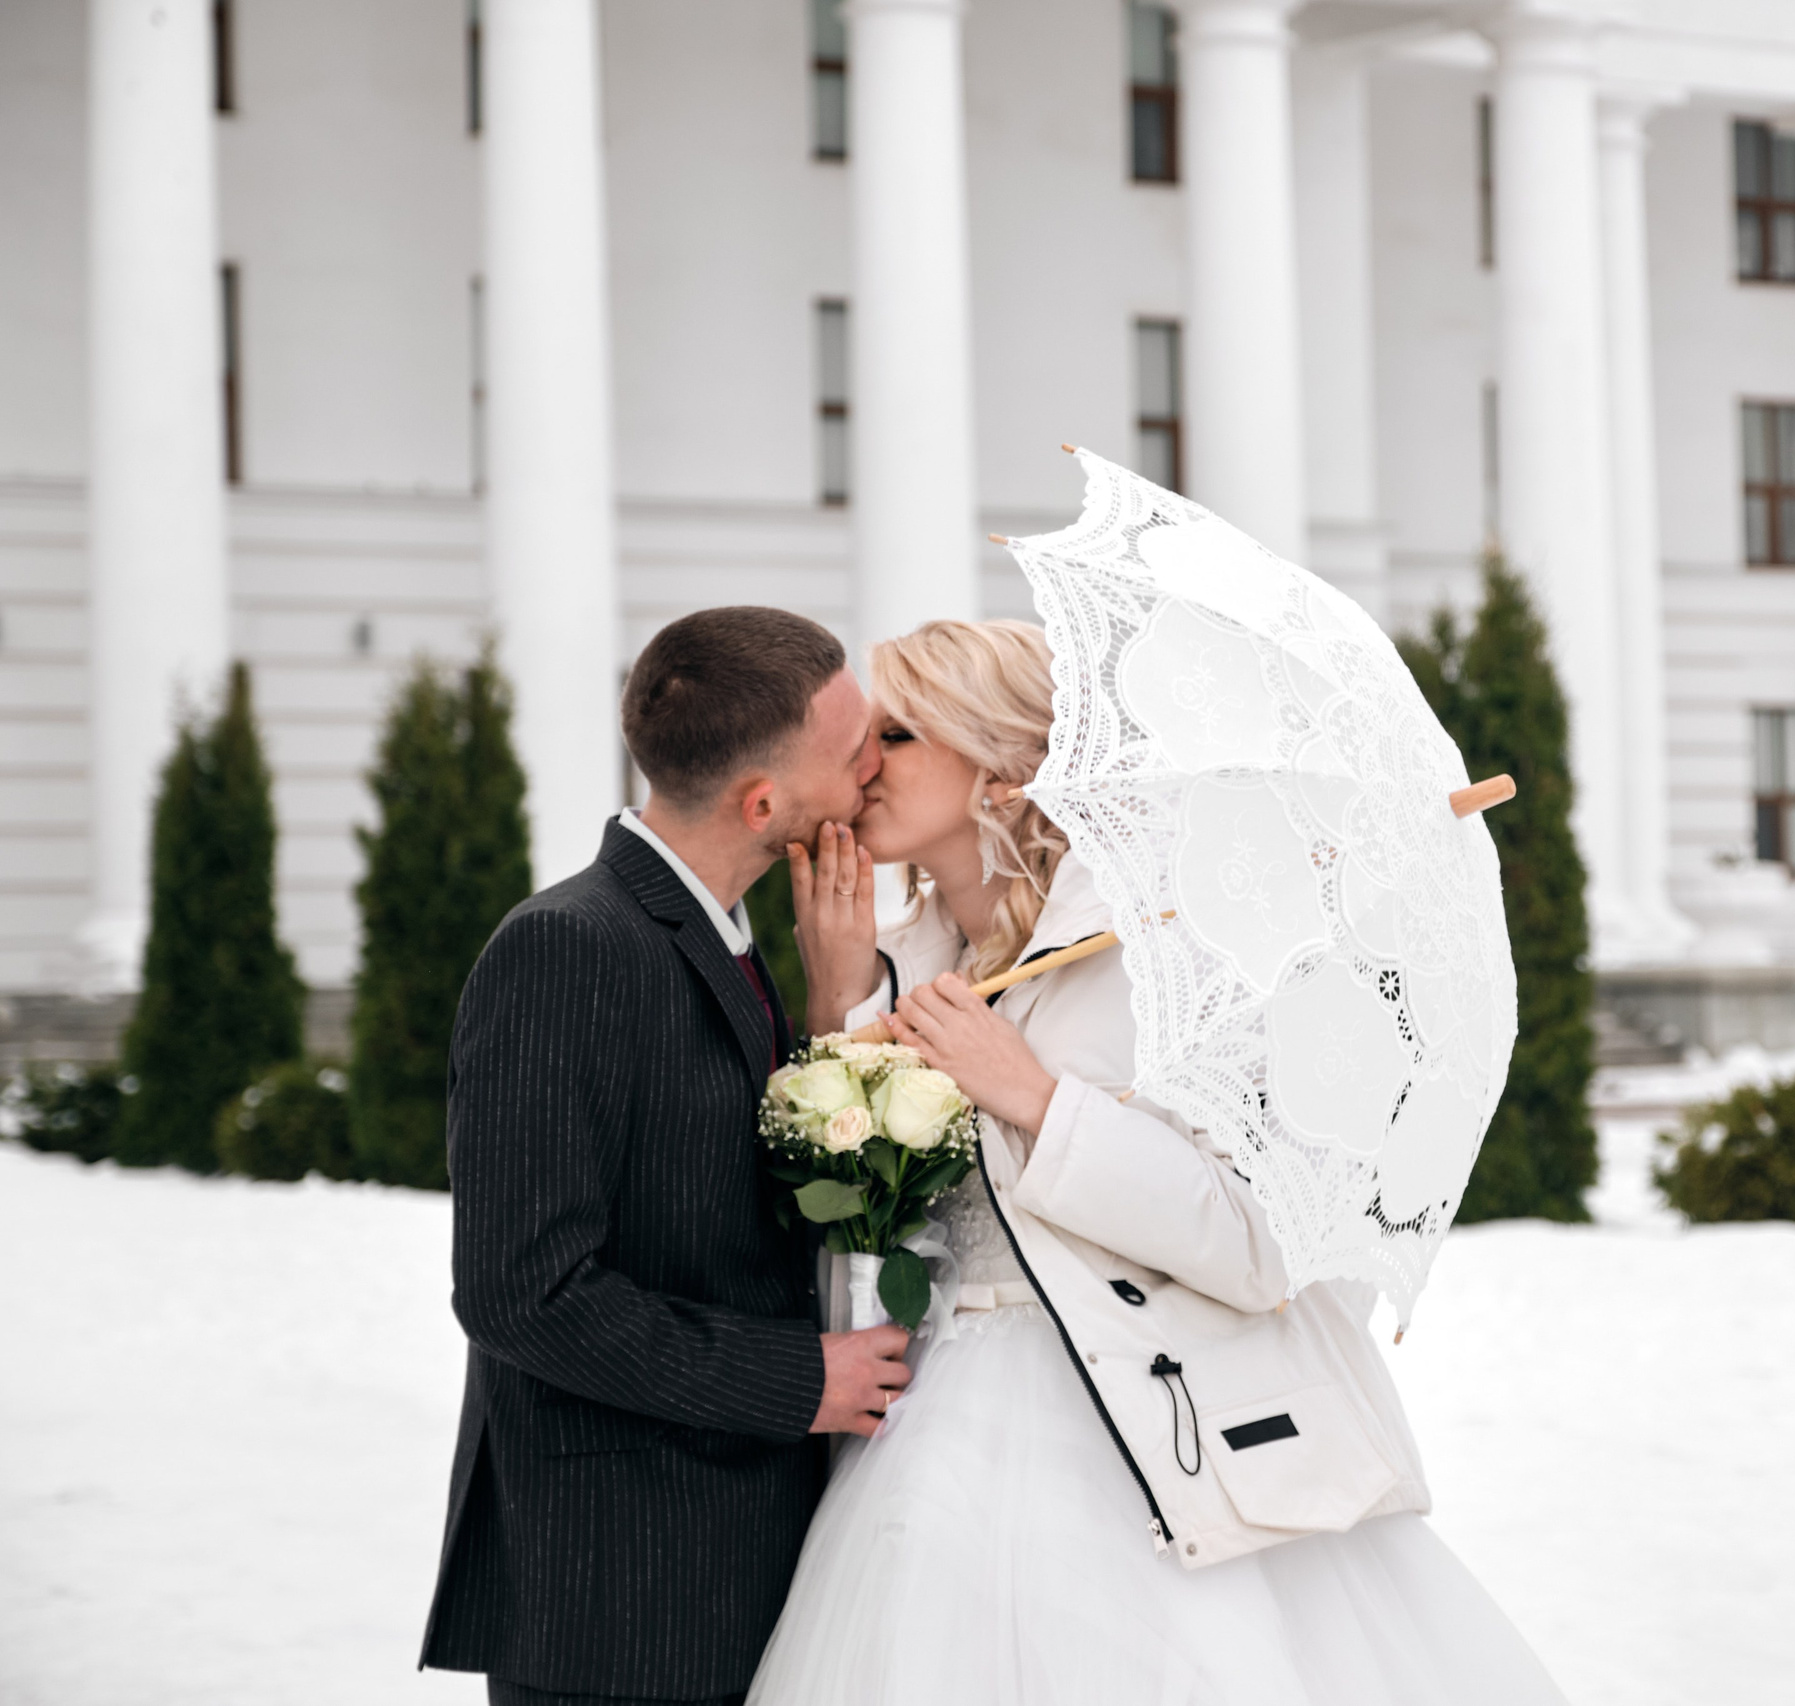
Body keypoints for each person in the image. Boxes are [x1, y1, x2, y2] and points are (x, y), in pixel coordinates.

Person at [749, 619, 1567, 1705]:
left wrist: (1036, 1098)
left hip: (1149, 1431)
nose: (861, 768)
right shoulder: (894, 959)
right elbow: (857, 1246)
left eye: (896, 735)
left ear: (1002, 765)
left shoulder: (1167, 954)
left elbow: (1254, 1244)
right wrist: (842, 1003)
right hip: (924, 1440)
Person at [421, 606, 918, 1706]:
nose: (877, 769)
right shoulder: (566, 948)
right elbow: (523, 1291)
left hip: (738, 1567)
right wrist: (802, 1378)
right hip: (621, 1600)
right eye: (857, 752)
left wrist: (838, 1003)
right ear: (762, 804)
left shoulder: (729, 932)